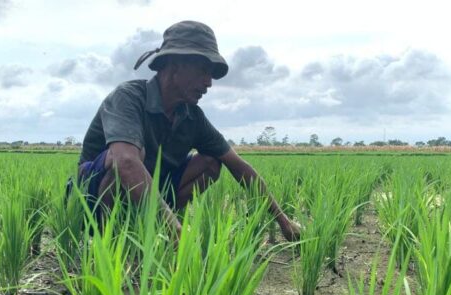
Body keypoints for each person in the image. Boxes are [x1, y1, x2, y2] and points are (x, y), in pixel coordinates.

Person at [77, 20, 300, 241]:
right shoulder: (128, 97)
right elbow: (125, 163)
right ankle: (103, 239)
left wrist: (284, 221)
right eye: (203, 71)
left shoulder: (192, 116)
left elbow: (239, 167)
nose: (209, 83)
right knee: (130, 156)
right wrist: (177, 232)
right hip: (92, 197)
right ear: (174, 65)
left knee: (211, 162)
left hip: (146, 196)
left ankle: (148, 226)